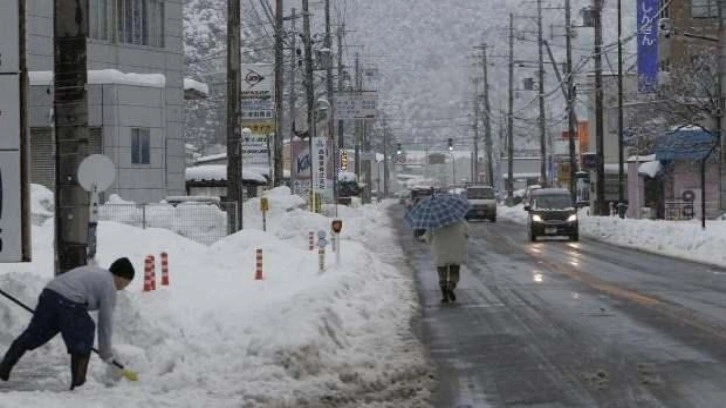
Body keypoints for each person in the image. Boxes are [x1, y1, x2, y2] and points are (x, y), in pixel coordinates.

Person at [0, 258, 135, 389]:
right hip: (67, 302)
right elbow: (105, 321)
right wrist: (105, 352)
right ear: (122, 277)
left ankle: (4, 367)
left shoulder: (95, 272)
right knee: (85, 332)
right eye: (126, 283)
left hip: (50, 294)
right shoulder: (109, 285)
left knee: (34, 334)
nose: (122, 288)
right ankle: (79, 384)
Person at [424, 220, 470, 303]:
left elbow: (428, 237)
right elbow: (467, 233)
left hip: (440, 251)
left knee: (442, 273)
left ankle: (444, 293)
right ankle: (451, 286)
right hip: (456, 250)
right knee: (454, 271)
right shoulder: (460, 221)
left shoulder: (433, 222)